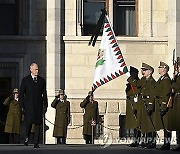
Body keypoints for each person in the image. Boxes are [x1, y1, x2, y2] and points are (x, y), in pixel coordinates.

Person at [19, 63, 48, 148]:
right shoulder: (25, 80)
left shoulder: (42, 80)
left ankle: (36, 142)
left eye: (38, 69)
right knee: (29, 124)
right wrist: (22, 106)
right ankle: (27, 138)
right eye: (35, 69)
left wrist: (45, 105)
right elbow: (21, 94)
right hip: (28, 106)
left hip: (38, 106)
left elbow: (44, 94)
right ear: (31, 69)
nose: (37, 71)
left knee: (38, 124)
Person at [128, 63, 156, 148]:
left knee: (150, 124)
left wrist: (150, 106)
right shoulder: (143, 80)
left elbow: (152, 94)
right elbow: (136, 84)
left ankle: (152, 142)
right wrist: (129, 76)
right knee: (144, 124)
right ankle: (146, 141)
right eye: (142, 70)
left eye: (144, 70)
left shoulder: (152, 81)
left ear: (150, 72)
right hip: (142, 105)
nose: (142, 72)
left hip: (147, 104)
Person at [154, 61, 172, 150]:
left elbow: (166, 94)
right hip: (160, 104)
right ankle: (165, 143)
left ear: (164, 69)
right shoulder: (162, 79)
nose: (159, 69)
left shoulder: (166, 80)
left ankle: (167, 144)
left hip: (163, 105)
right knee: (164, 126)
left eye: (160, 68)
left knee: (167, 126)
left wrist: (163, 106)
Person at [125, 66, 141, 147]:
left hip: (135, 104)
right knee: (133, 124)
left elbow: (136, 88)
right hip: (130, 103)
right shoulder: (130, 83)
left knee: (137, 124)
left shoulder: (137, 82)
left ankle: (137, 141)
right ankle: (135, 140)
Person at [169, 57, 180, 151]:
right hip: (177, 101)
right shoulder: (178, 76)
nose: (177, 68)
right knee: (177, 124)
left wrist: (173, 82)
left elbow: (178, 88)